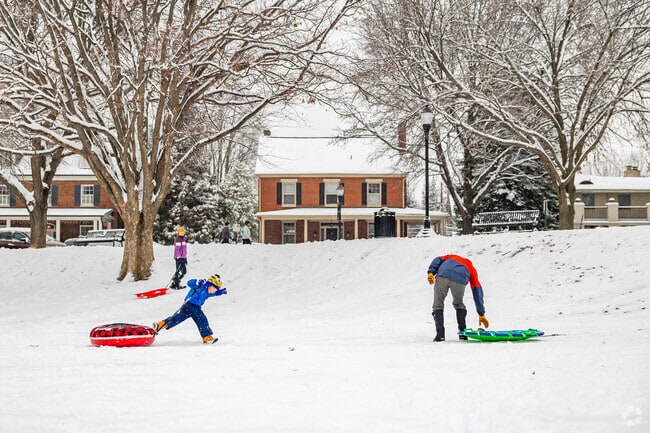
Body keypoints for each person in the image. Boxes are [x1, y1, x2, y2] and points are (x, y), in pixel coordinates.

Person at [427, 254, 489, 342]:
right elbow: (477, 291)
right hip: (461, 277)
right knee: (458, 304)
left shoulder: (450, 257)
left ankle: (440, 335)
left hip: (443, 274)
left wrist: (431, 272)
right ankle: (463, 333)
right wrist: (481, 313)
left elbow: (437, 259)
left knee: (438, 304)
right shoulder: (471, 268)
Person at [153, 274, 228, 344]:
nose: (214, 291)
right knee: (201, 319)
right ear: (210, 284)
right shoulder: (202, 286)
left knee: (177, 318)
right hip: (191, 304)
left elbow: (214, 293)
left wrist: (220, 292)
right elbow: (189, 283)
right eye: (214, 288)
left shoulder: (209, 292)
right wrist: (197, 281)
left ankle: (160, 324)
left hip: (188, 306)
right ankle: (206, 336)